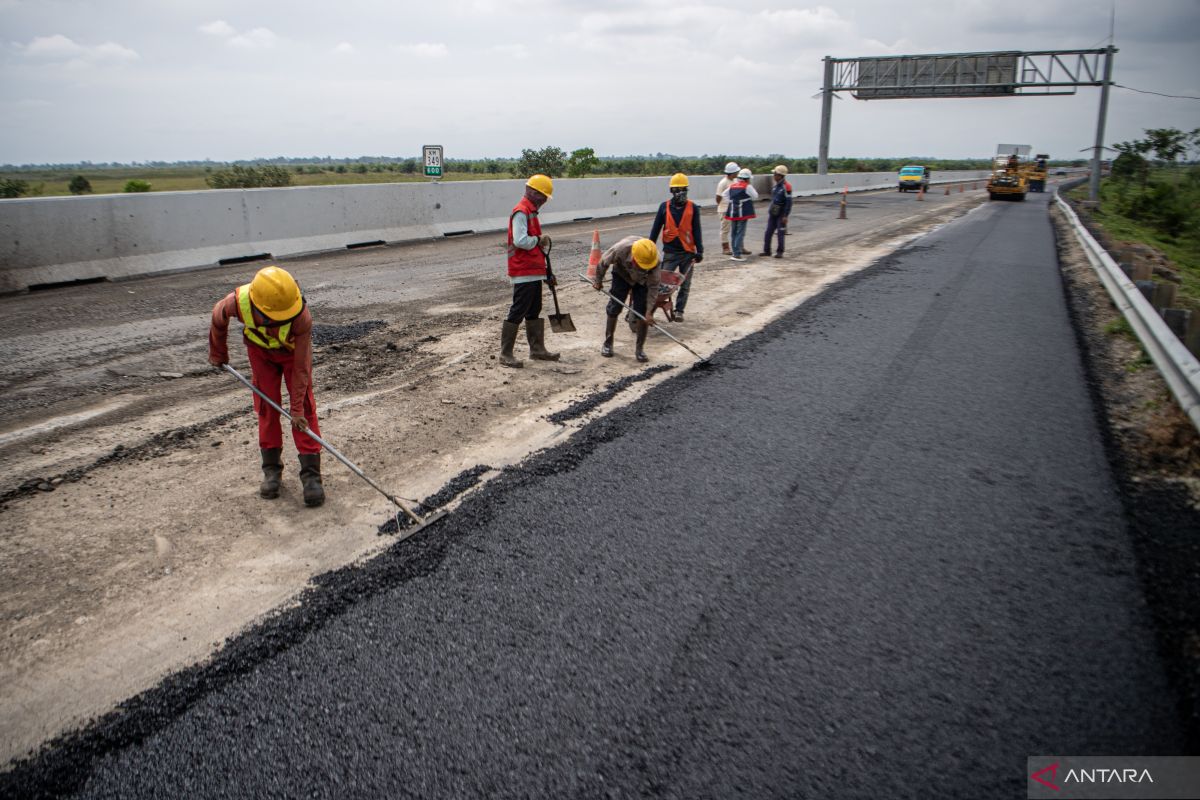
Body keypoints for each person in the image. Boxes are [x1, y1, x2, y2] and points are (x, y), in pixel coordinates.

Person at [208, 265, 325, 507]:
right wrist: (218, 352)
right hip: (261, 354)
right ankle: (272, 471)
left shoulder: (301, 316)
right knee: (266, 407)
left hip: (292, 356)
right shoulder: (237, 303)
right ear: (259, 307)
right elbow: (218, 316)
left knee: (303, 407)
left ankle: (311, 476)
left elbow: (302, 367)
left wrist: (296, 411)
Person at [501, 174, 559, 369]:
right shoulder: (521, 211)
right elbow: (520, 241)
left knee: (534, 309)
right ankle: (506, 353)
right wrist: (538, 240)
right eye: (543, 197)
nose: (544, 201)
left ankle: (537, 349)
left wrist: (546, 273)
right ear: (533, 193)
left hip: (533, 271)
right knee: (519, 310)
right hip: (523, 270)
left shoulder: (531, 211)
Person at [592, 236, 660, 363]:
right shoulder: (621, 249)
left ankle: (639, 349)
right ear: (634, 258)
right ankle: (608, 343)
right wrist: (598, 281)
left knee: (642, 313)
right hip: (622, 274)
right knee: (614, 307)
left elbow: (653, 287)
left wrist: (649, 312)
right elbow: (603, 263)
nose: (643, 267)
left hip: (642, 281)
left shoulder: (654, 260)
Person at [648, 173, 703, 323]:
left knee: (685, 284)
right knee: (662, 284)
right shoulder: (664, 207)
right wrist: (648, 248)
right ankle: (649, 311)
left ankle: (679, 311)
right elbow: (655, 229)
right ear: (671, 191)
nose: (680, 192)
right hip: (671, 253)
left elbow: (697, 230)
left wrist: (700, 250)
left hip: (688, 253)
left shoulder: (693, 208)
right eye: (677, 189)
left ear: (687, 190)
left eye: (683, 189)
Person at [722, 167, 758, 261]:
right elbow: (755, 196)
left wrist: (732, 201)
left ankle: (734, 251)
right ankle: (737, 254)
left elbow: (724, 194)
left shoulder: (733, 186)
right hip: (743, 212)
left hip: (733, 211)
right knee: (740, 232)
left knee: (734, 232)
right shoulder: (747, 186)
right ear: (747, 178)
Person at [760, 165, 793, 258]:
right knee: (768, 232)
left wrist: (785, 215)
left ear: (780, 175)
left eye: (775, 174)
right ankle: (767, 251)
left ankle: (780, 252)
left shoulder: (786, 187)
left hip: (781, 213)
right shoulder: (776, 186)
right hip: (773, 212)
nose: (773, 176)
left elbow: (789, 202)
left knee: (780, 233)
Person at [715, 161, 739, 255]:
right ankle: (725, 248)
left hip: (733, 208)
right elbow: (718, 197)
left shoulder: (735, 181)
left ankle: (737, 246)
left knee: (736, 229)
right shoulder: (723, 183)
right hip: (724, 209)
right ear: (732, 173)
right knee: (725, 229)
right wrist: (723, 205)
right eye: (736, 172)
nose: (737, 173)